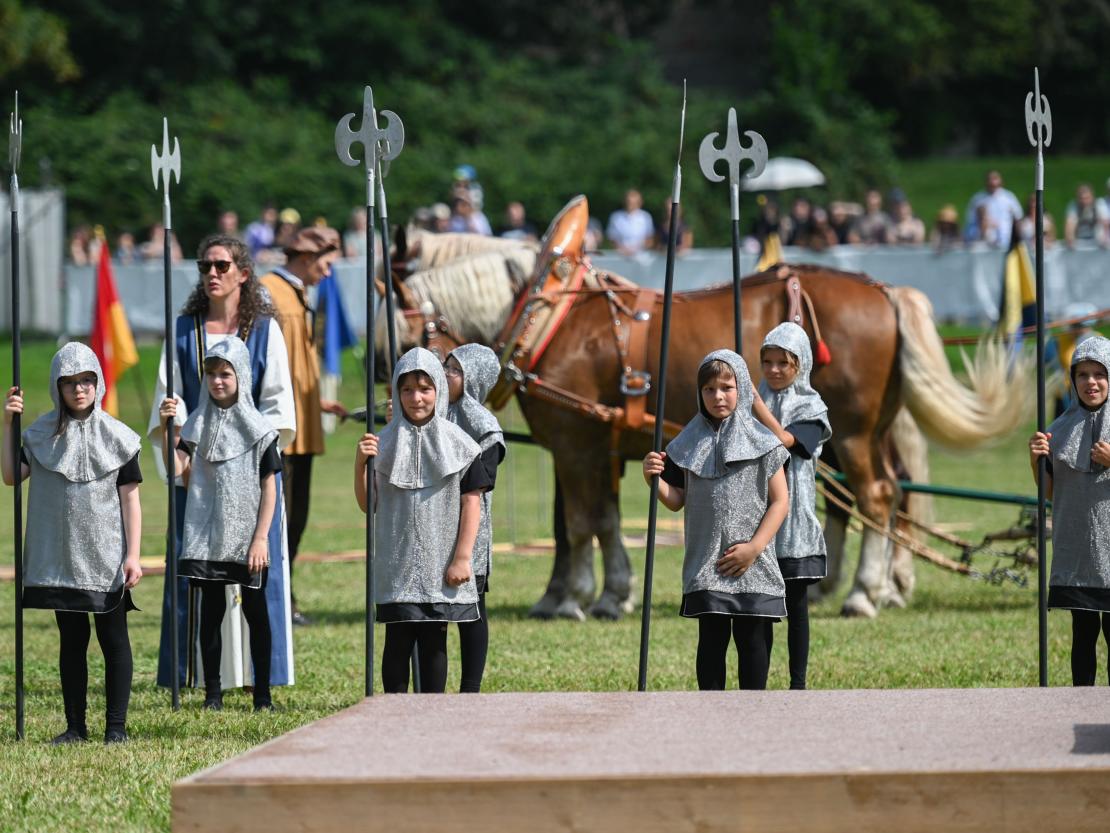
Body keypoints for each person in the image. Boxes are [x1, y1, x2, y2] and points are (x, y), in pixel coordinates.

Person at [148, 234, 296, 693]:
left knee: (256, 583)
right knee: (201, 587)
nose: (212, 273)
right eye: (204, 266)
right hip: (198, 479)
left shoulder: (266, 331)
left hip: (251, 479)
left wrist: (249, 462)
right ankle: (199, 678)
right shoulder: (182, 331)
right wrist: (184, 460)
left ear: (243, 273)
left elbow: (277, 406)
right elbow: (167, 404)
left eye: (222, 265)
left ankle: (260, 680)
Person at [3, 344, 142, 744]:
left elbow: (130, 498)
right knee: (72, 640)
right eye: (69, 383)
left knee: (114, 639)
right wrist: (8, 423)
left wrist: (132, 554)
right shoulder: (40, 434)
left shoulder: (117, 436)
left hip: (105, 556)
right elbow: (12, 476)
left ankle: (116, 728)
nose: (79, 390)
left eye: (86, 381)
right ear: (56, 387)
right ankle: (75, 727)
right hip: (60, 558)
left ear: (97, 382)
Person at [642, 350, 789, 690]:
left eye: (727, 387)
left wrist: (754, 548)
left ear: (743, 390)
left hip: (753, 564)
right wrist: (655, 480)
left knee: (752, 641)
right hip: (708, 562)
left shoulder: (764, 442)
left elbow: (780, 502)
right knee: (711, 642)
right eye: (709, 389)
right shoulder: (686, 443)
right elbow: (677, 501)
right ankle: (710, 713)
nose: (718, 396)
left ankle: (754, 713)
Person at [354, 348, 489, 693]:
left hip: (440, 562)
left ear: (439, 390)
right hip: (397, 563)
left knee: (433, 639)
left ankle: (431, 715)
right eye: (407, 389)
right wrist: (360, 465)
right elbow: (368, 504)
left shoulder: (460, 445)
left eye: (425, 388)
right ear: (397, 394)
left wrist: (462, 557)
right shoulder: (381, 444)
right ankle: (395, 715)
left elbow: (472, 503)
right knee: (397, 639)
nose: (416, 398)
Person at [159, 338, 281, 711]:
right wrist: (170, 433)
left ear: (240, 375)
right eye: (211, 374)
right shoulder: (196, 422)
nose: (217, 381)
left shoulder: (260, 429)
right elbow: (179, 472)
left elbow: (269, 486)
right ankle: (213, 692)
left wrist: (260, 537)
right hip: (207, 535)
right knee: (209, 613)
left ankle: (262, 693)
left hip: (246, 537)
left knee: (255, 613)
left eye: (225, 373)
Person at [259, 227, 348, 625]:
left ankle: (286, 593)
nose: (328, 273)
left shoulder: (297, 293)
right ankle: (277, 598)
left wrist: (316, 401)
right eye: (326, 264)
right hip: (282, 431)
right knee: (279, 520)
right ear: (307, 258)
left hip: (304, 423)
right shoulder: (268, 293)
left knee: (296, 520)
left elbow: (296, 362)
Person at [751, 324, 832, 690]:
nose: (773, 370)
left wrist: (754, 406)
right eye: (766, 362)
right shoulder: (751, 400)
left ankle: (798, 684)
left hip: (794, 522)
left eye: (783, 363)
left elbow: (788, 442)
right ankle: (759, 683)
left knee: (796, 607)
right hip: (758, 516)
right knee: (761, 611)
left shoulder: (811, 407)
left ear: (801, 365)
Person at [1029, 336, 1110, 686]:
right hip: (1077, 552)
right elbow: (1050, 493)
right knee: (1083, 635)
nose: (1090, 382)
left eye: (1099, 374)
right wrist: (1035, 461)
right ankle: (1079, 700)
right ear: (1072, 379)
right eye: (1082, 374)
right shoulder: (1059, 429)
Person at [444, 344, 506, 692]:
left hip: (470, 534)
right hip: (431, 528)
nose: (445, 373)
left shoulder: (484, 428)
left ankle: (470, 690)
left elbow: (480, 485)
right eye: (445, 365)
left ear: (473, 379)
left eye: (454, 370)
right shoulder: (433, 413)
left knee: (472, 611)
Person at [964, 170, 1022, 249]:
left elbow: (1018, 218)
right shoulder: (977, 199)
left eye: (995, 178)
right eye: (989, 179)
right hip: (983, 242)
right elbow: (970, 221)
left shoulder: (1009, 198)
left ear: (1000, 180)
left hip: (1005, 241)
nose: (992, 182)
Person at [607, 189, 654, 255]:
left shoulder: (646, 217)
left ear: (640, 202)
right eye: (628, 202)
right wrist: (622, 249)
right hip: (620, 255)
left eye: (634, 202)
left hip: (641, 255)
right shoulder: (616, 217)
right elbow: (611, 238)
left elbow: (650, 239)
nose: (630, 204)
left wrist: (636, 249)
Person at [1064, 183, 1109, 249]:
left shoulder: (1099, 204)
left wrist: (1104, 240)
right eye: (1081, 198)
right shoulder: (1073, 206)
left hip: (1097, 241)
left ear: (1092, 196)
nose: (1084, 201)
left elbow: (1105, 224)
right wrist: (1070, 240)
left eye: (1087, 198)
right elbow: (1069, 225)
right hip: (1078, 241)